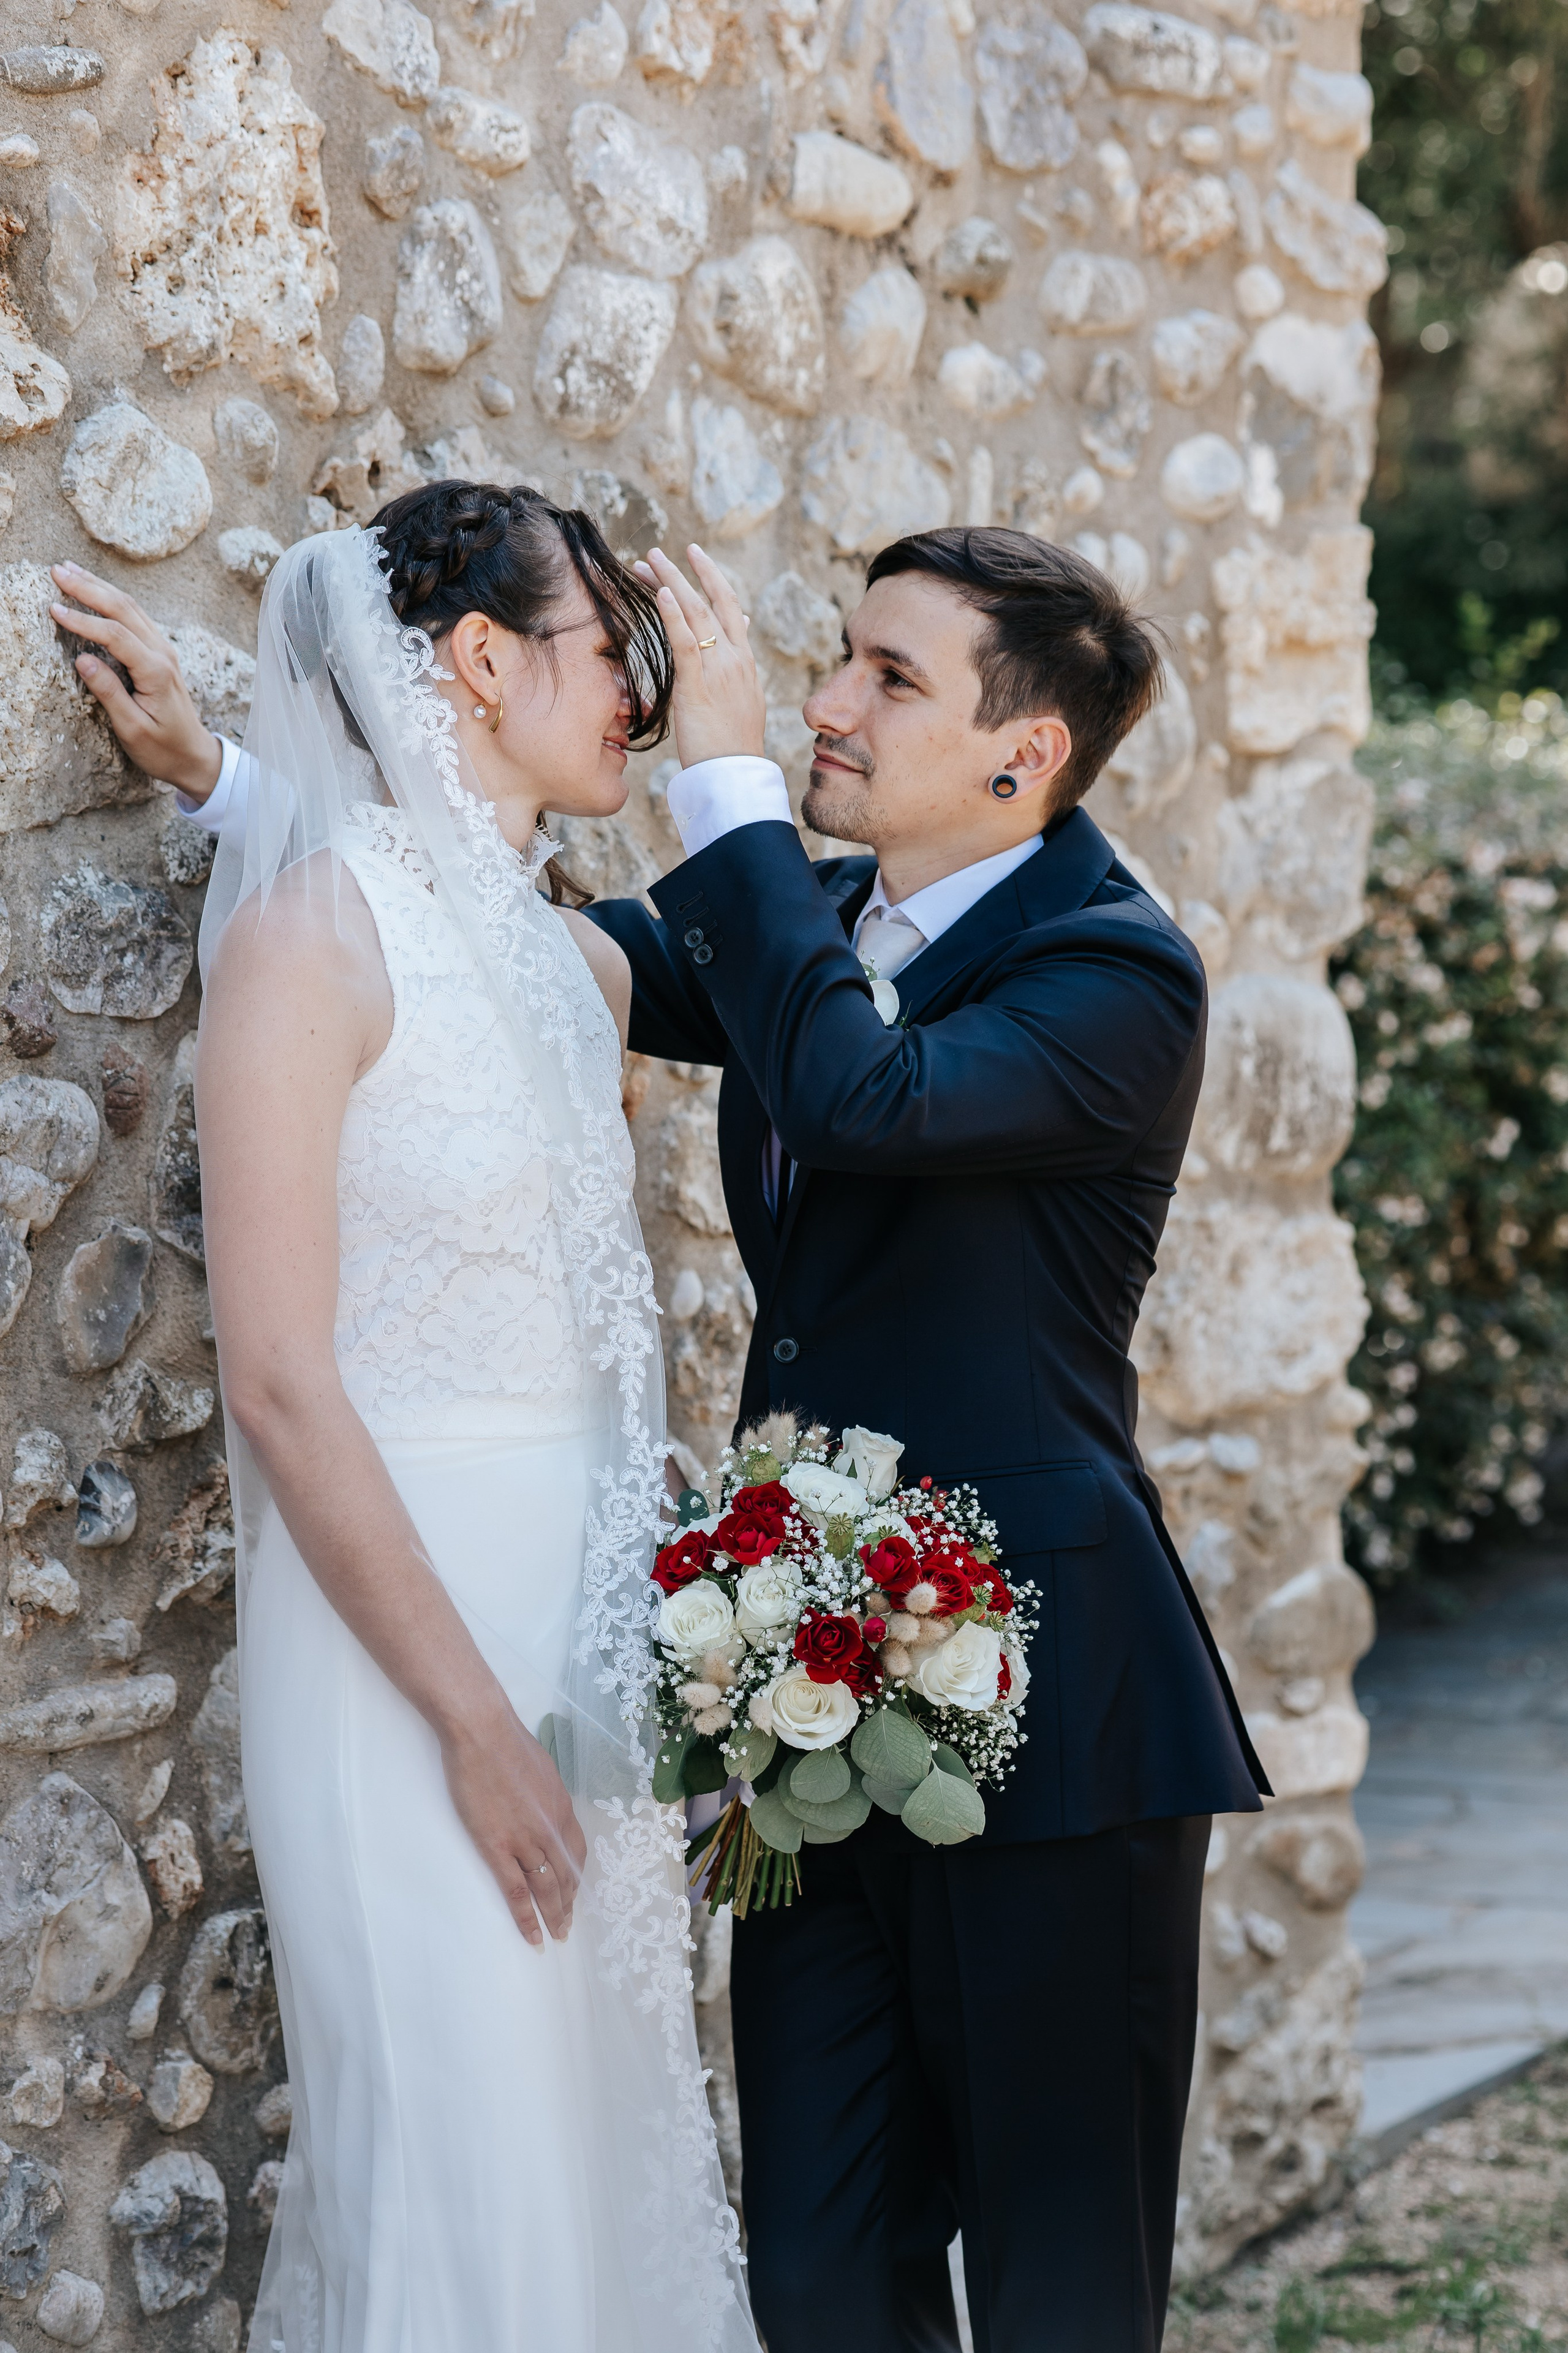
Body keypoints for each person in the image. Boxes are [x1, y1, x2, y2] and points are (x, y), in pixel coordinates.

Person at [59, 515, 1268, 2352]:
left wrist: (720, 782)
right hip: (799, 1730)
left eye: (889, 676)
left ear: (1022, 755)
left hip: (1055, 1718)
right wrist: (240, 782)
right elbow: (480, 958)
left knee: (1059, 2291)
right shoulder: (803, 933)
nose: (826, 698)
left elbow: (867, 1095)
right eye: (842, 656)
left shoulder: (1117, 974)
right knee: (816, 2278)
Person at [63, 494, 757, 2353]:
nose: (642, 684)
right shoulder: (307, 939)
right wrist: (471, 1725)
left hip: (586, 1655)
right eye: (611, 645)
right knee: (463, 2186)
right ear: (475, 659)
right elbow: (284, 1381)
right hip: (406, 1664)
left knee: (596, 2161)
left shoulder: (570, 958)